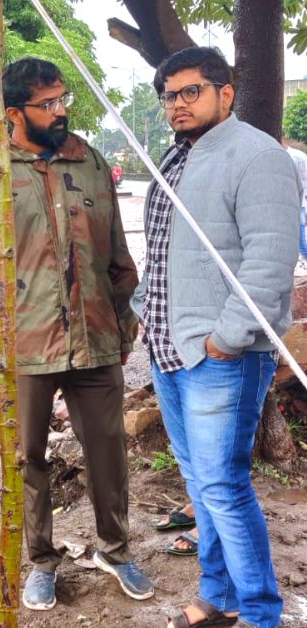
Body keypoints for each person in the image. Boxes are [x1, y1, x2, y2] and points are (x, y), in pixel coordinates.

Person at [0, 57, 152, 611]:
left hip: (96, 340)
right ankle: (41, 561)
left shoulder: (87, 160)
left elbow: (116, 252)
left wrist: (124, 320)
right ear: (14, 111)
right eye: (48, 104)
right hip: (25, 348)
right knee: (29, 461)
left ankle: (114, 550)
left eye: (63, 99)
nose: (61, 111)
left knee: (108, 455)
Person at [132, 46, 300, 628]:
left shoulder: (256, 156)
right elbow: (163, 247)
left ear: (225, 92)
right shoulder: (179, 157)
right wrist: (143, 306)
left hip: (220, 354)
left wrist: (227, 338)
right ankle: (219, 596)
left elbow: (270, 261)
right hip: (169, 346)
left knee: (224, 487)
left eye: (189, 92)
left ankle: (260, 614)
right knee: (200, 484)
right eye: (168, 96)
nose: (177, 104)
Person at [282, 137, 307, 264]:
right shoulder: (298, 155)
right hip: (298, 202)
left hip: (298, 203)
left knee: (300, 239)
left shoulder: (293, 157)